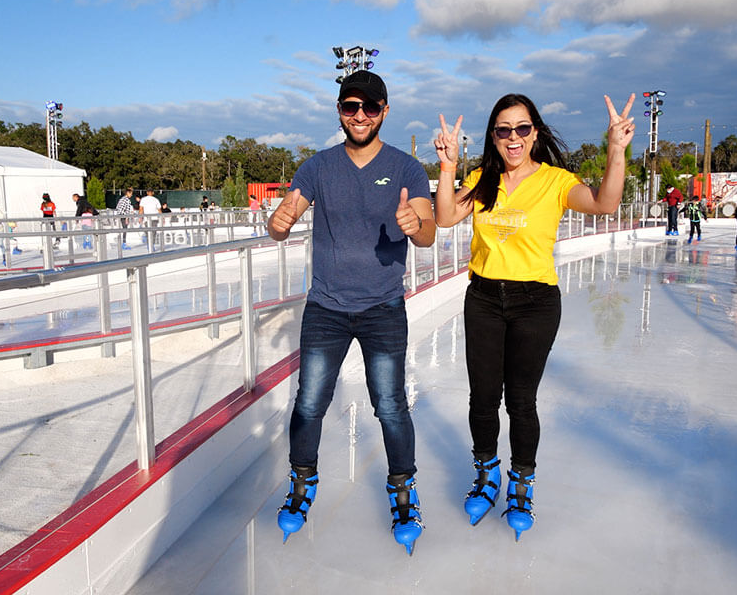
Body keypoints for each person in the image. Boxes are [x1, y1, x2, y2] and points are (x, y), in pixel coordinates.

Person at [433, 92, 635, 540]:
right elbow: (445, 217)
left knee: (521, 400)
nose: (513, 138)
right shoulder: (483, 179)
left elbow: (604, 204)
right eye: (503, 130)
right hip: (484, 298)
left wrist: (616, 151)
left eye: (522, 129)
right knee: (482, 398)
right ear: (493, 136)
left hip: (535, 302)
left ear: (535, 132)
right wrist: (448, 166)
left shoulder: (557, 181)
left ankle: (521, 483)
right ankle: (487, 474)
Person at [267, 70, 436, 555]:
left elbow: (425, 232)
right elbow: (285, 218)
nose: (359, 116)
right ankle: (302, 482)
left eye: (369, 107)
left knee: (390, 405)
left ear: (385, 111)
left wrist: (414, 224)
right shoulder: (318, 167)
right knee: (309, 402)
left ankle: (403, 490)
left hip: (383, 307)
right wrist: (277, 224)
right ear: (339, 110)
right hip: (326, 307)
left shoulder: (406, 169)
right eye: (350, 106)